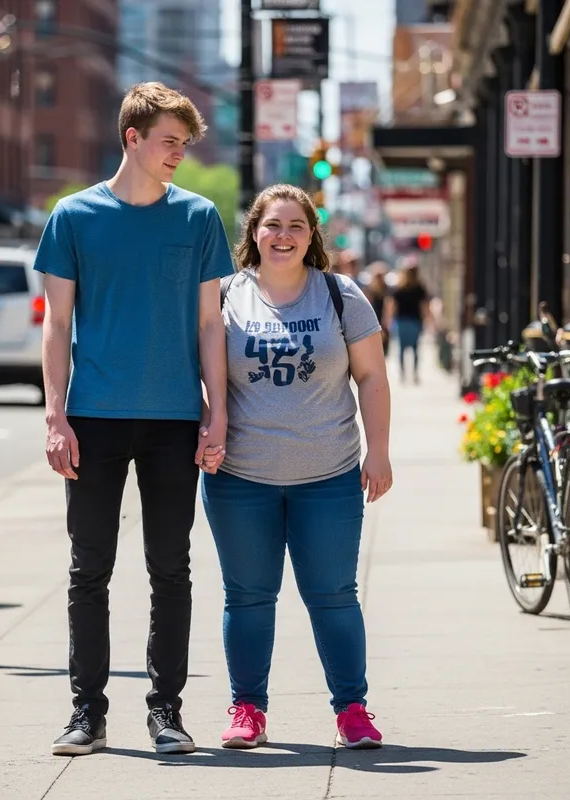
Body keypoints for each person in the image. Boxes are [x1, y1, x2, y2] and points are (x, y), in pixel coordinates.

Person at [34, 82, 234, 758]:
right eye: (170, 141)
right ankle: (86, 712)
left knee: (169, 568)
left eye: (185, 142)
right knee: (88, 568)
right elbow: (57, 325)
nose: (180, 152)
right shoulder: (73, 216)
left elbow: (211, 324)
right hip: (93, 416)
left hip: (175, 419)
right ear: (133, 138)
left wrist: (219, 412)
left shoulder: (199, 218)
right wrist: (55, 416)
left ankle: (166, 711)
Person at [200, 184, 393, 751]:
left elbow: (373, 378)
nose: (283, 236)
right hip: (240, 479)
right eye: (272, 225)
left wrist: (377, 451)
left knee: (334, 595)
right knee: (248, 597)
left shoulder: (341, 295)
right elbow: (202, 377)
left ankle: (352, 710)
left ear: (312, 237)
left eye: (296, 226)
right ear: (253, 232)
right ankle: (247, 710)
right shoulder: (224, 296)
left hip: (328, 476)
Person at [391, 261, 431, 384]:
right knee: (415, 348)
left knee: (401, 349)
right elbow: (424, 306)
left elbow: (393, 306)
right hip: (415, 321)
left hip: (401, 321)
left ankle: (403, 374)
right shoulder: (420, 288)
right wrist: (427, 319)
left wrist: (389, 320)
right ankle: (414, 374)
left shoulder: (399, 288)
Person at [363, 261, 391, 357]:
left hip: (380, 322)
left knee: (382, 350)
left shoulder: (386, 289)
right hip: (376, 322)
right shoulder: (370, 290)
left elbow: (388, 306)